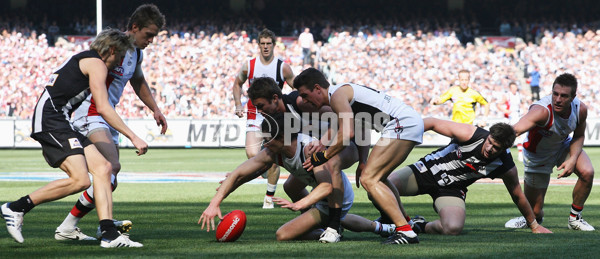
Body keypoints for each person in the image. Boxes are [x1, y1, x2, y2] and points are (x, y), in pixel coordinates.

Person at [1, 29, 145, 248]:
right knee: (81, 180)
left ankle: (109, 234)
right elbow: (104, 107)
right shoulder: (96, 63)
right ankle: (16, 207)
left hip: (61, 121)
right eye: (120, 56)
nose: (119, 62)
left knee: (104, 168)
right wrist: (134, 137)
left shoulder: (87, 58)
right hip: (51, 120)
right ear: (112, 50)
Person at [54, 4, 168, 241]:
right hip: (90, 110)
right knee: (109, 168)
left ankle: (72, 226)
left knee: (111, 175)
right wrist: (133, 136)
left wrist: (155, 109)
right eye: (148, 35)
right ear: (134, 27)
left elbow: (138, 81)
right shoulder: (112, 47)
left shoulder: (136, 53)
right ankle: (102, 227)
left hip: (104, 114)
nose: (150, 41)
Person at [198, 113, 396, 242]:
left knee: (282, 234)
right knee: (291, 186)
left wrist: (300, 205)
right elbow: (239, 173)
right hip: (323, 193)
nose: (264, 145)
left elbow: (327, 187)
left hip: (337, 196)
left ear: (282, 138)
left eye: (268, 140)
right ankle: (377, 227)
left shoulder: (308, 150)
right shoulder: (275, 152)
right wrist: (215, 203)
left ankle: (327, 229)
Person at [294, 68, 423, 245]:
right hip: (407, 121)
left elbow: (347, 133)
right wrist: (362, 161)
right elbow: (361, 127)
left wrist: (322, 156)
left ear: (317, 88)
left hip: (401, 123)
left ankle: (405, 231)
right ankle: (407, 223)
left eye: (305, 95)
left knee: (369, 180)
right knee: (379, 178)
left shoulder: (337, 96)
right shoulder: (341, 93)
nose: (305, 100)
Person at [384, 118, 552, 235]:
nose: (489, 148)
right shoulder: (470, 134)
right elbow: (431, 122)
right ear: (488, 135)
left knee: (453, 228)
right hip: (426, 171)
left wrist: (534, 225)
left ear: (504, 149)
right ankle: (395, 220)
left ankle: (418, 225)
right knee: (383, 185)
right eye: (490, 142)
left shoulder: (505, 166)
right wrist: (404, 139)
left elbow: (518, 195)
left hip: (452, 189)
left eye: (496, 148)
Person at [248, 77, 351, 242]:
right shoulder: (278, 121)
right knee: (291, 185)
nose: (259, 112)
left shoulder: (299, 103)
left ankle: (332, 226)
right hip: (320, 148)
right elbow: (258, 163)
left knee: (332, 164)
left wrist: (323, 143)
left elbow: (337, 116)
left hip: (344, 141)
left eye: (260, 106)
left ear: (275, 98)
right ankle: (375, 226)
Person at [504, 73, 595, 231]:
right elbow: (516, 130)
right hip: (537, 156)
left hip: (562, 146)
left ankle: (575, 218)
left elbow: (579, 136)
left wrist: (573, 159)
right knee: (536, 213)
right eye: (555, 94)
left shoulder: (581, 109)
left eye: (564, 96)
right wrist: (492, 140)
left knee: (588, 172)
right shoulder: (541, 110)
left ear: (573, 97)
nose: (558, 99)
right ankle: (529, 216)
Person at [232, 28, 295, 209]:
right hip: (254, 112)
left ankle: (269, 197)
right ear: (258, 45)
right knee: (252, 154)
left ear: (274, 45)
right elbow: (237, 84)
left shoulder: (282, 67)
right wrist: (238, 104)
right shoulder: (249, 65)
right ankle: (270, 174)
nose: (266, 47)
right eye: (263, 44)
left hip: (274, 116)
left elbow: (297, 87)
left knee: (272, 155)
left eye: (269, 44)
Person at [496, 81, 525, 161]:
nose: (514, 89)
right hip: (509, 118)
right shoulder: (507, 95)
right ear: (510, 88)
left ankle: (520, 154)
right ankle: (501, 152)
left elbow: (522, 104)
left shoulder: (519, 95)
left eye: (515, 88)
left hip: (517, 116)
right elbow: (498, 104)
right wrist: (505, 110)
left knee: (519, 134)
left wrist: (524, 111)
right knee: (506, 135)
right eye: (512, 88)